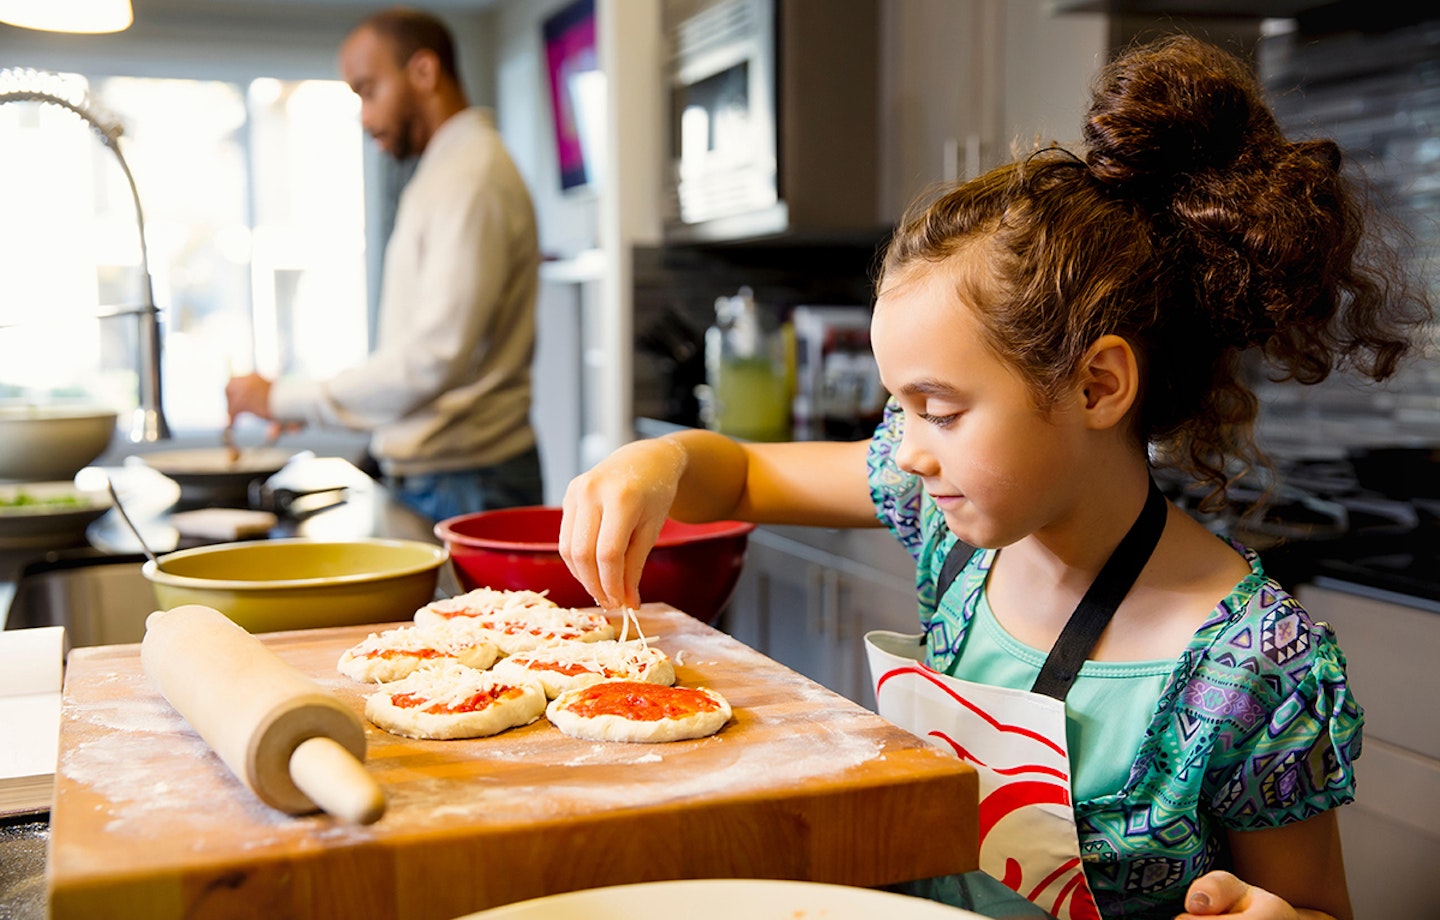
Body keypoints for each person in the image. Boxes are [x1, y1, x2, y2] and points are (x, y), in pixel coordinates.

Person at [557, 35, 1430, 920]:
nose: (906, 451)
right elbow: (739, 476)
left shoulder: (1252, 670)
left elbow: (1319, 909)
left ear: (1097, 386)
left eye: (938, 410)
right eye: (899, 409)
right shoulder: (950, 527)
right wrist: (658, 461)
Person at [226, 6, 543, 523]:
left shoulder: (470, 175)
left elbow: (432, 358)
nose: (364, 116)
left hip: (467, 484)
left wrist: (284, 397)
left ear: (423, 72)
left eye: (369, 90)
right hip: (449, 478)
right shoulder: (446, 171)